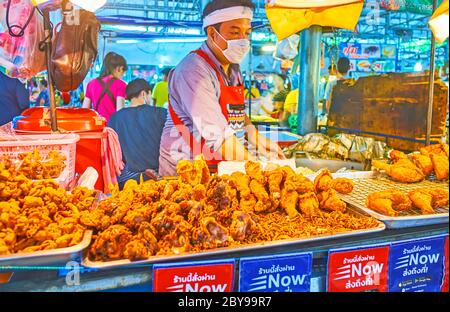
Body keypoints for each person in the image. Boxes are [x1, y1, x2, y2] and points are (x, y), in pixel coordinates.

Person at [159, 0, 284, 176]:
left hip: (220, 164)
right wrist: (259, 172)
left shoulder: (232, 67)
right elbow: (218, 135)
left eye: (247, 33)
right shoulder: (194, 71)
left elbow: (234, 112)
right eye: (235, 32)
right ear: (212, 33)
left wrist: (255, 136)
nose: (243, 40)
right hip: (186, 172)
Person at [109, 79, 167, 188]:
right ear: (144, 93)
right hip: (156, 178)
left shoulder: (115, 118)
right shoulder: (160, 113)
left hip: (126, 181)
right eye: (150, 94)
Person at [83, 52, 128, 123]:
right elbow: (120, 112)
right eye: (123, 71)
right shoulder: (121, 84)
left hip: (97, 126)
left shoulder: (91, 84)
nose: (122, 75)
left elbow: (85, 111)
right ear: (119, 68)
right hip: (112, 127)